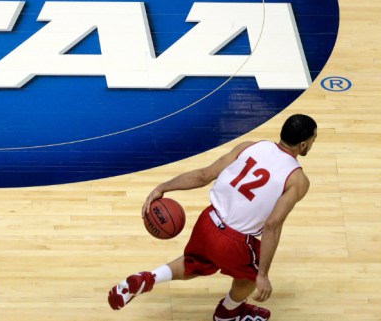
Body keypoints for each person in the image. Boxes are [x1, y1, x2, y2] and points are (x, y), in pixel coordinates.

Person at [107, 114, 317, 321]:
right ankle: (228, 313)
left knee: (195, 263)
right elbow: (272, 224)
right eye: (313, 139)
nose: (313, 142)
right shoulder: (298, 180)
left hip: (208, 220)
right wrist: (263, 275)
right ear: (302, 145)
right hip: (235, 240)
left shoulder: (249, 146)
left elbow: (204, 175)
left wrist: (163, 187)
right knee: (251, 276)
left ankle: (149, 278)